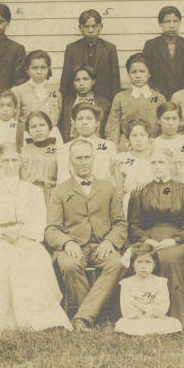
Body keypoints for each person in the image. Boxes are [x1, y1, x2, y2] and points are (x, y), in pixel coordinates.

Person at [0, 143, 71, 332]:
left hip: (23, 240)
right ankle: (3, 321)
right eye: (5, 160)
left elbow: (40, 228)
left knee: (33, 261)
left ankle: (38, 319)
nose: (10, 165)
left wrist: (20, 230)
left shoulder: (32, 191)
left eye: (14, 160)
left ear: (21, 161)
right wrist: (1, 232)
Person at [45, 139, 128, 331]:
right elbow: (52, 228)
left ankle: (83, 318)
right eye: (78, 158)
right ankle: (94, 317)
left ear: (93, 159)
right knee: (69, 264)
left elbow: (120, 223)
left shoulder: (108, 187)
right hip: (74, 246)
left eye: (87, 157)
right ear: (70, 162)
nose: (83, 162)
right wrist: (66, 243)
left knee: (117, 264)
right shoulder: (60, 191)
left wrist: (109, 241)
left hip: (102, 245)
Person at [127, 149, 184, 324]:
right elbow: (133, 225)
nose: (157, 166)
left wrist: (173, 240)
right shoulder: (140, 191)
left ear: (170, 165)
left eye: (161, 162)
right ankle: (137, 311)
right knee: (134, 257)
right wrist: (146, 239)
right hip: (148, 239)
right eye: (153, 163)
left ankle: (179, 314)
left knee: (168, 257)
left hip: (178, 240)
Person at [114, 243, 182, 336]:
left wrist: (141, 307)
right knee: (123, 325)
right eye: (139, 262)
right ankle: (144, 331)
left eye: (148, 262)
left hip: (155, 319)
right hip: (135, 321)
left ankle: (145, 331)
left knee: (174, 324)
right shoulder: (127, 283)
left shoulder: (160, 282)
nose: (144, 266)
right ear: (133, 264)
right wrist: (143, 313)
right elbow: (127, 310)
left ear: (154, 264)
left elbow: (162, 308)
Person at [60, 9, 121, 110]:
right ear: (80, 28)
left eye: (94, 26)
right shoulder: (72, 49)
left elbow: (115, 81)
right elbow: (65, 80)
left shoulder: (109, 48)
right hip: (78, 100)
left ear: (101, 26)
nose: (91, 30)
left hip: (103, 101)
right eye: (86, 27)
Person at [105, 53, 166, 149]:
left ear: (149, 74)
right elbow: (112, 126)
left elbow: (164, 125)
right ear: (128, 74)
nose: (138, 76)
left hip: (152, 144)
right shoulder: (120, 97)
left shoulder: (159, 98)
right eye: (133, 72)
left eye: (142, 71)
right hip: (127, 144)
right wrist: (114, 147)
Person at [143, 5, 184, 100]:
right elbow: (146, 71)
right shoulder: (151, 45)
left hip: (183, 95)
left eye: (175, 21)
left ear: (180, 22)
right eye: (167, 21)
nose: (172, 25)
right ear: (160, 24)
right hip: (158, 95)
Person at [12, 50, 63, 145]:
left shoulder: (55, 93)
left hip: (52, 139)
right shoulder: (17, 92)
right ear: (27, 70)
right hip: (27, 138)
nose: (39, 72)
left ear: (48, 69)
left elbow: (57, 120)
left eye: (43, 68)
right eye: (35, 68)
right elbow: (14, 122)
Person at [56, 103, 116, 183]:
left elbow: (113, 177)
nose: (84, 122)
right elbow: (62, 179)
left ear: (97, 123)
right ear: (74, 123)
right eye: (80, 119)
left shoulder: (109, 146)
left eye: (89, 118)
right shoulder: (65, 148)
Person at [113, 119, 155, 216]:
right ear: (128, 139)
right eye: (134, 135)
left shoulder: (155, 159)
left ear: (149, 138)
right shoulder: (123, 159)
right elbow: (119, 191)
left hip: (154, 206)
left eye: (142, 135)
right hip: (129, 207)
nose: (138, 139)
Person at [59, 64, 111, 141]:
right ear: (73, 82)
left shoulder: (104, 103)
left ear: (93, 81)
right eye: (77, 80)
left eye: (85, 79)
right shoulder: (66, 103)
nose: (81, 83)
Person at [20, 111, 60, 204]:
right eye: (33, 127)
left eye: (42, 125)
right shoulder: (23, 152)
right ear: (28, 131)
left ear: (49, 128)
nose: (38, 129)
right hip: (28, 197)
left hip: (52, 197)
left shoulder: (58, 151)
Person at [152, 101, 184, 178]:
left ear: (180, 120)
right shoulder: (153, 144)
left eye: (174, 119)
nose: (170, 123)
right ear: (158, 120)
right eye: (167, 118)